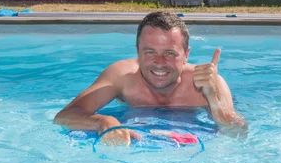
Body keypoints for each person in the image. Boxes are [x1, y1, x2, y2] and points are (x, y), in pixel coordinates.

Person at [53, 11, 247, 145]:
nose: (159, 62)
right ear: (138, 52)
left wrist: (214, 99)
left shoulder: (208, 84)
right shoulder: (121, 76)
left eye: (170, 53)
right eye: (150, 52)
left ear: (186, 55)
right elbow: (63, 117)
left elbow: (237, 134)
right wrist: (104, 122)